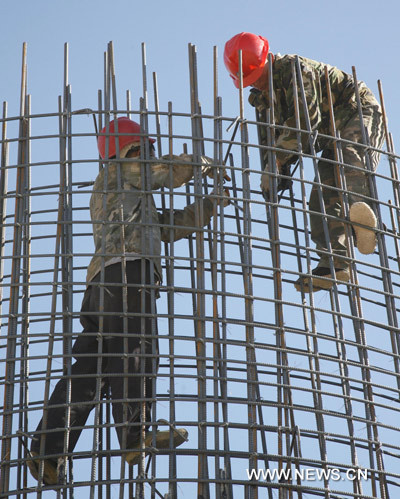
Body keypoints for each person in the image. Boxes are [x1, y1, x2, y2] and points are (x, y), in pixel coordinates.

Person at [28, 117, 229, 485]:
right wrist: (203, 164)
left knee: (92, 367)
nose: (152, 153)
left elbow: (170, 225)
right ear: (133, 148)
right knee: (139, 350)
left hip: (102, 283)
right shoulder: (123, 170)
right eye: (147, 148)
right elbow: (164, 171)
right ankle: (136, 435)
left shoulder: (127, 192)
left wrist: (211, 204)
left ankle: (47, 449)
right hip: (128, 274)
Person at [224, 32, 385, 292]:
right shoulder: (264, 100)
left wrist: (276, 159)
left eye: (259, 76)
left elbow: (304, 123)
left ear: (268, 60)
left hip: (358, 111)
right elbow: (272, 142)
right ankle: (334, 263)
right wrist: (274, 174)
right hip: (331, 131)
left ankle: (367, 221)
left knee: (349, 158)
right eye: (252, 81)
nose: (259, 84)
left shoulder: (294, 71)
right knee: (321, 194)